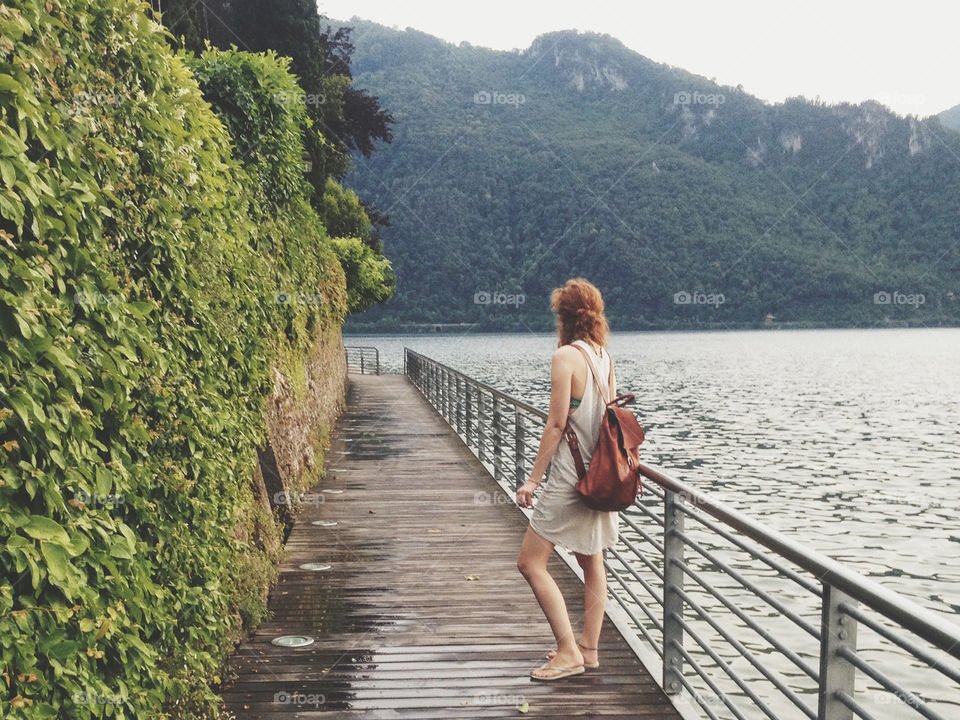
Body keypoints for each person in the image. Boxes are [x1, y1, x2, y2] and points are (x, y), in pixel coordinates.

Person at [516, 277, 619, 681]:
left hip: (568, 481)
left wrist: (532, 480)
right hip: (600, 479)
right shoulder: (603, 357)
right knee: (593, 561)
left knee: (530, 563)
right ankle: (589, 649)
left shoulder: (565, 358)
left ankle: (567, 651)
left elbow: (557, 424)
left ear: (563, 317)